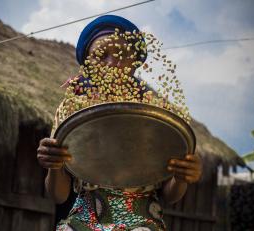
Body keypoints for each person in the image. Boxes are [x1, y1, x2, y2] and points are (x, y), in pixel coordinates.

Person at [37, 15, 203, 231]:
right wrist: (54, 167)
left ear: (134, 63)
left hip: (143, 221)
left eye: (122, 55)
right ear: (88, 64)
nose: (113, 64)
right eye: (101, 55)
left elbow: (170, 196)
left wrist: (182, 177)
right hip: (84, 219)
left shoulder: (156, 113)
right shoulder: (72, 110)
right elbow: (58, 196)